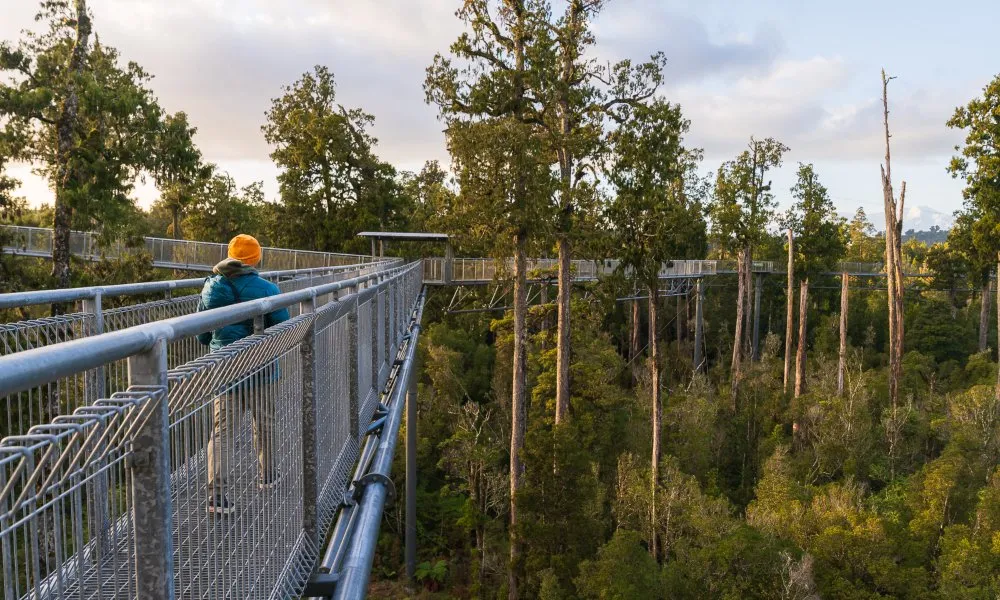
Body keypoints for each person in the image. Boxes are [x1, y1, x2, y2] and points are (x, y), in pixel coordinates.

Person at [197, 234, 289, 515]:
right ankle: (268, 477)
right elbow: (283, 326)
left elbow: (202, 333)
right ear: (256, 259)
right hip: (259, 364)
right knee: (264, 422)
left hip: (225, 366)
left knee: (222, 431)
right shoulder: (267, 288)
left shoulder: (211, 288)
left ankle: (217, 497)